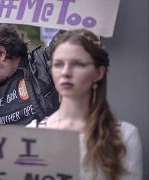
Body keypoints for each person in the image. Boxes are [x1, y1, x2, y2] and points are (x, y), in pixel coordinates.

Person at [29, 29, 142, 179]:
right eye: (58, 64)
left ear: (99, 73)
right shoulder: (31, 134)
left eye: (78, 64)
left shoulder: (124, 137)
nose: (65, 72)